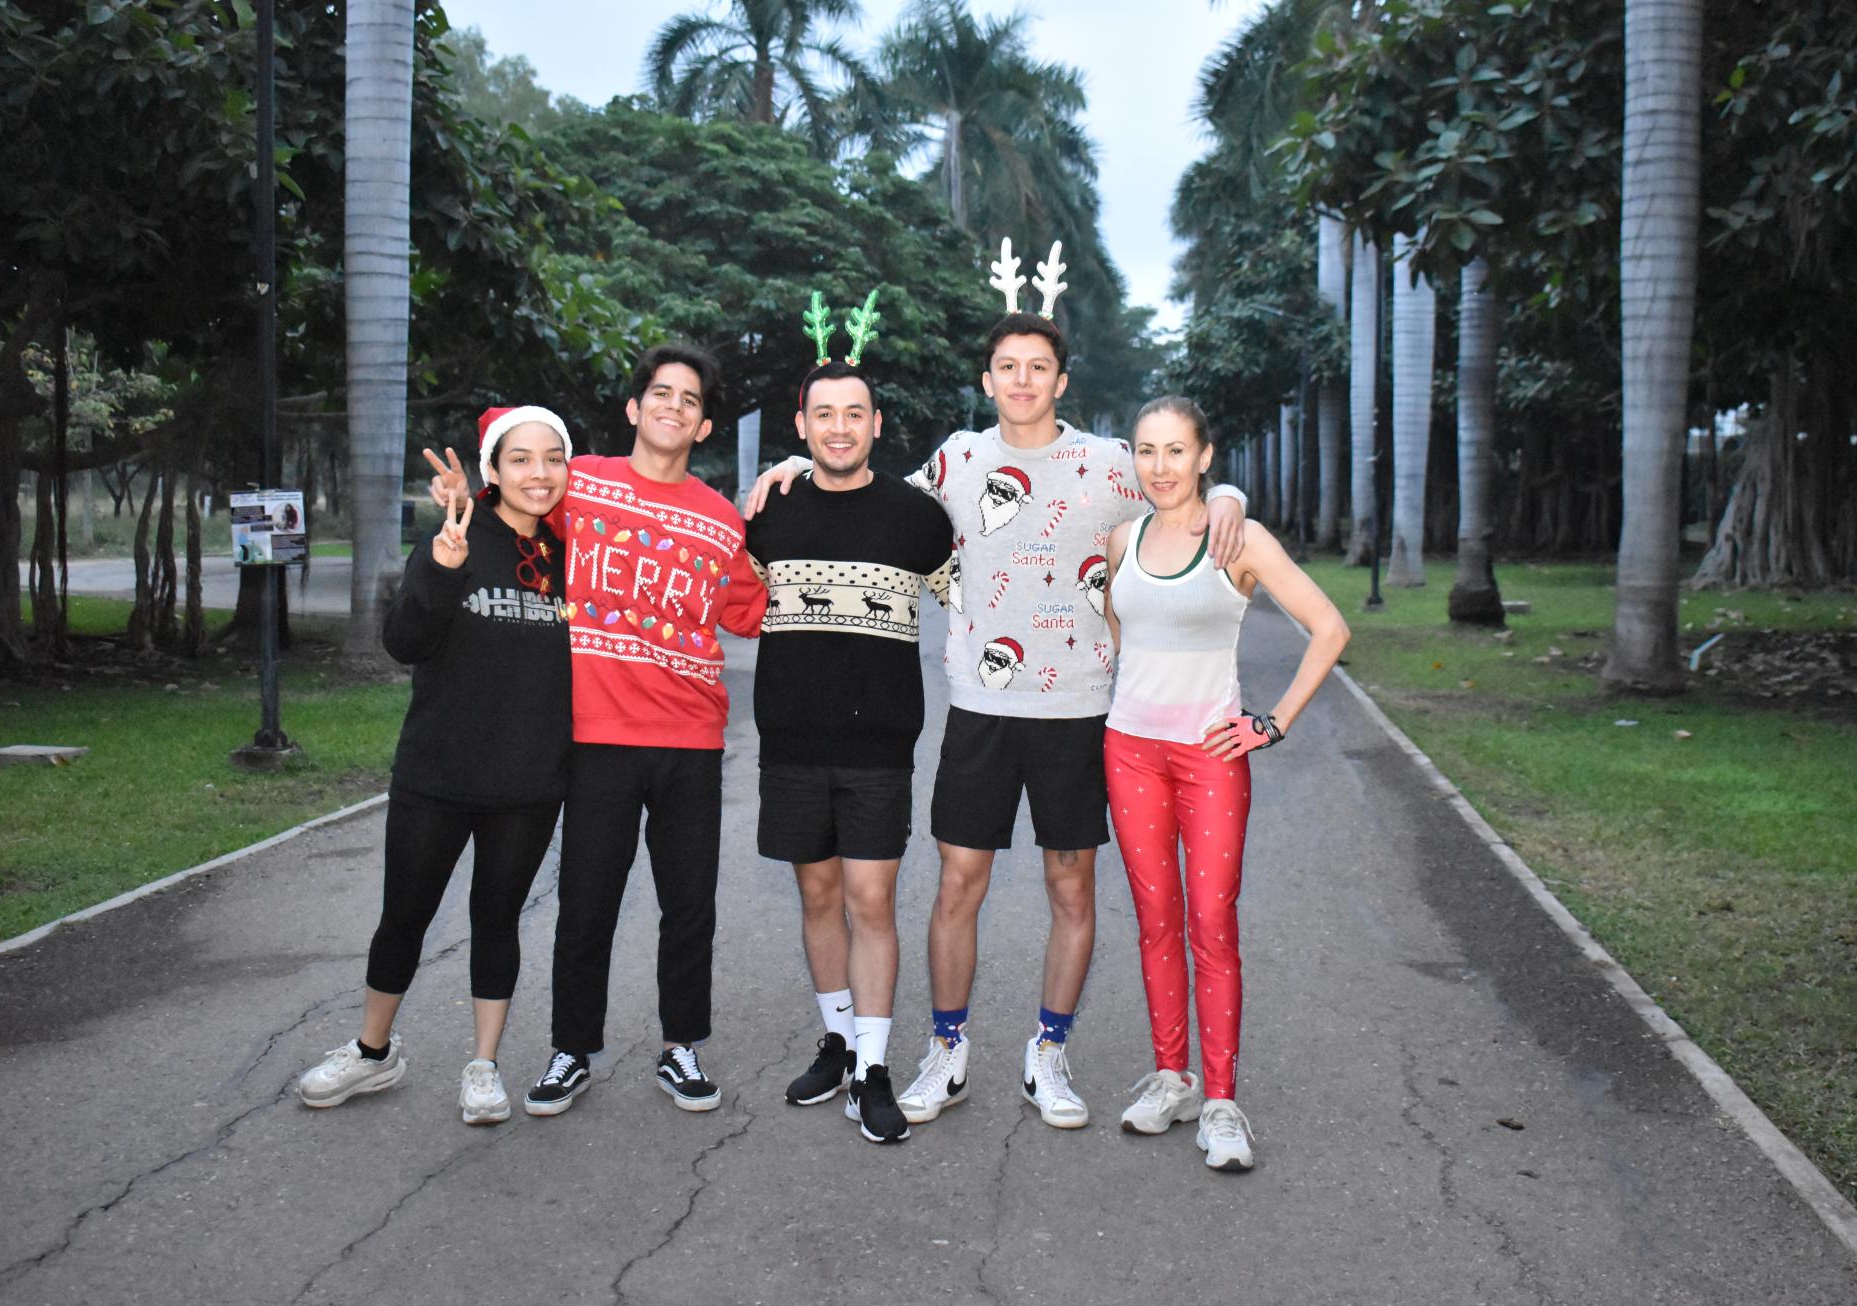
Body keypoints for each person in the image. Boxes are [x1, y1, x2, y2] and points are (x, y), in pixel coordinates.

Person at [749, 271, 1248, 1131]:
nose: (1021, 380)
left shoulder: (1108, 464)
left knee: (1071, 886)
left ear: (1061, 381)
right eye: (1006, 367)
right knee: (958, 885)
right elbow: (865, 485)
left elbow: (1184, 493)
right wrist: (796, 460)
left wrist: (1231, 494)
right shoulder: (956, 458)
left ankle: (1047, 1053)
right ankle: (948, 1049)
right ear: (987, 382)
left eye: (1038, 367)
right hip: (980, 707)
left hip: (1084, 708)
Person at [426, 346, 768, 1118]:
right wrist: (472, 483)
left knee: (690, 906)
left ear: (705, 423)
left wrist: (786, 495)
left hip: (690, 739)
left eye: (689, 400)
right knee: (587, 902)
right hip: (597, 735)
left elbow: (753, 609)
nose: (672, 407)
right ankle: (570, 1049)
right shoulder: (581, 486)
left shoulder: (720, 520)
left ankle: (682, 1046)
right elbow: (520, 464)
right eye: (660, 393)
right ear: (634, 408)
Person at [298, 406, 573, 1124]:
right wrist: (441, 569)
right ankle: (372, 1050)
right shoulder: (455, 536)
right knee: (405, 916)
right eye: (520, 459)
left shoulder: (573, 555)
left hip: (529, 781)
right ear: (493, 470)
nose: (538, 473)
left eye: (553, 458)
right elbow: (405, 642)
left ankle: (482, 1066)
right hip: (437, 774)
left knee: (497, 918)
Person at [1102, 395, 1350, 1171]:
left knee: (1211, 923)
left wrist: (1270, 722)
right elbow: (1120, 624)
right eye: (1147, 451)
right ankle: (1172, 1077)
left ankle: (1221, 1102)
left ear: (1206, 457)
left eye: (1177, 451)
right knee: (1154, 920)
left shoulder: (1238, 537)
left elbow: (1331, 628)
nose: (1161, 467)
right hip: (1131, 751)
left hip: (1212, 759)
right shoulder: (1122, 537)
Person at [748, 348, 953, 1145]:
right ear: (802, 426)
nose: (840, 427)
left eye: (854, 413)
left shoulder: (916, 516)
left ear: (877, 423)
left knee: (871, 900)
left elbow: (975, 595)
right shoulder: (769, 511)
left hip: (879, 749)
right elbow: (732, 587)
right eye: (823, 414)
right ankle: (835, 1041)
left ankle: (873, 1066)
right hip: (791, 743)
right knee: (818, 896)